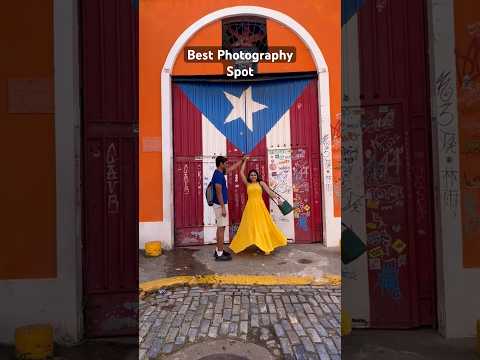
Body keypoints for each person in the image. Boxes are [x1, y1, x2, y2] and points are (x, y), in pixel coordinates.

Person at [229, 156, 287, 255]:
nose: (253, 176)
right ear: (249, 177)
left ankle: (265, 245)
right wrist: (244, 161)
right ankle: (253, 243)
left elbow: (270, 192)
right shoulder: (248, 184)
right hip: (250, 208)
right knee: (248, 226)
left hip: (260, 207)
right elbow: (241, 173)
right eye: (251, 175)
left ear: (257, 176)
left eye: (254, 175)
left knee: (262, 226)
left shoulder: (261, 183)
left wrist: (279, 200)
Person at [211, 155, 244, 261]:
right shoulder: (218, 175)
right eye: (225, 163)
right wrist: (223, 208)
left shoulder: (220, 173)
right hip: (220, 205)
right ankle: (220, 254)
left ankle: (218, 250)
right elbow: (218, 192)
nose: (227, 165)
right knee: (221, 229)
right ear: (221, 164)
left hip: (220, 205)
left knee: (220, 227)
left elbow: (231, 169)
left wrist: (241, 160)